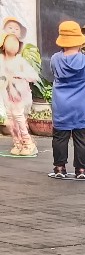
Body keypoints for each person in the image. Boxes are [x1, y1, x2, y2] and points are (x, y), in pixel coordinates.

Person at [49, 21, 85, 179]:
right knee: (82, 138)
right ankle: (81, 170)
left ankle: (59, 168)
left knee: (60, 138)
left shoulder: (55, 59)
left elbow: (53, 71)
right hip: (82, 108)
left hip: (61, 106)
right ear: (79, 41)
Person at [0, 20, 38, 157]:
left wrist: (19, 75)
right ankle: (18, 143)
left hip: (19, 95)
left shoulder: (20, 60)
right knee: (11, 120)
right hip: (7, 95)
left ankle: (28, 143)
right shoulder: (1, 59)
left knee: (19, 117)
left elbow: (33, 76)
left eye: (15, 42)